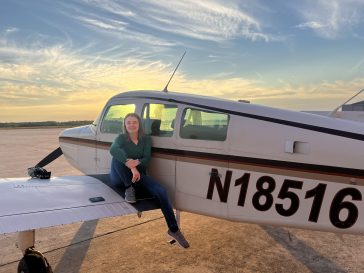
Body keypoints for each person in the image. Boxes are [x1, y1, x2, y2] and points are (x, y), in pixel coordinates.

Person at [109, 113, 190, 248]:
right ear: (125, 125)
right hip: (120, 178)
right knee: (117, 157)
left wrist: (135, 167)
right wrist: (131, 165)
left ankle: (174, 229)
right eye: (128, 122)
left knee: (162, 191)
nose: (131, 125)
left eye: (134, 122)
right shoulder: (121, 138)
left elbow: (146, 160)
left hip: (138, 176)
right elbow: (113, 149)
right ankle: (129, 188)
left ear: (139, 124)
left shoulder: (146, 140)